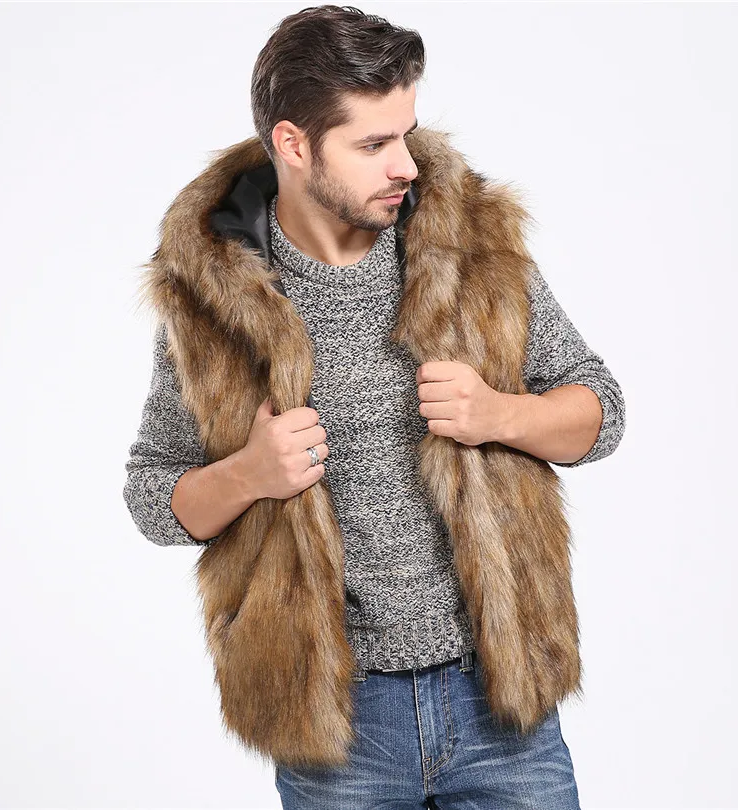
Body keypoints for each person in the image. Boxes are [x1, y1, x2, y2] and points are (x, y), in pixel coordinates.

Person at [123, 5, 626, 808]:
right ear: (293, 145)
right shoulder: (213, 299)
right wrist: (249, 473)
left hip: (502, 698)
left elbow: (600, 408)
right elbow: (154, 495)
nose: (406, 166)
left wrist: (502, 415)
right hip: (336, 724)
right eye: (372, 145)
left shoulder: (468, 246)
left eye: (407, 135)